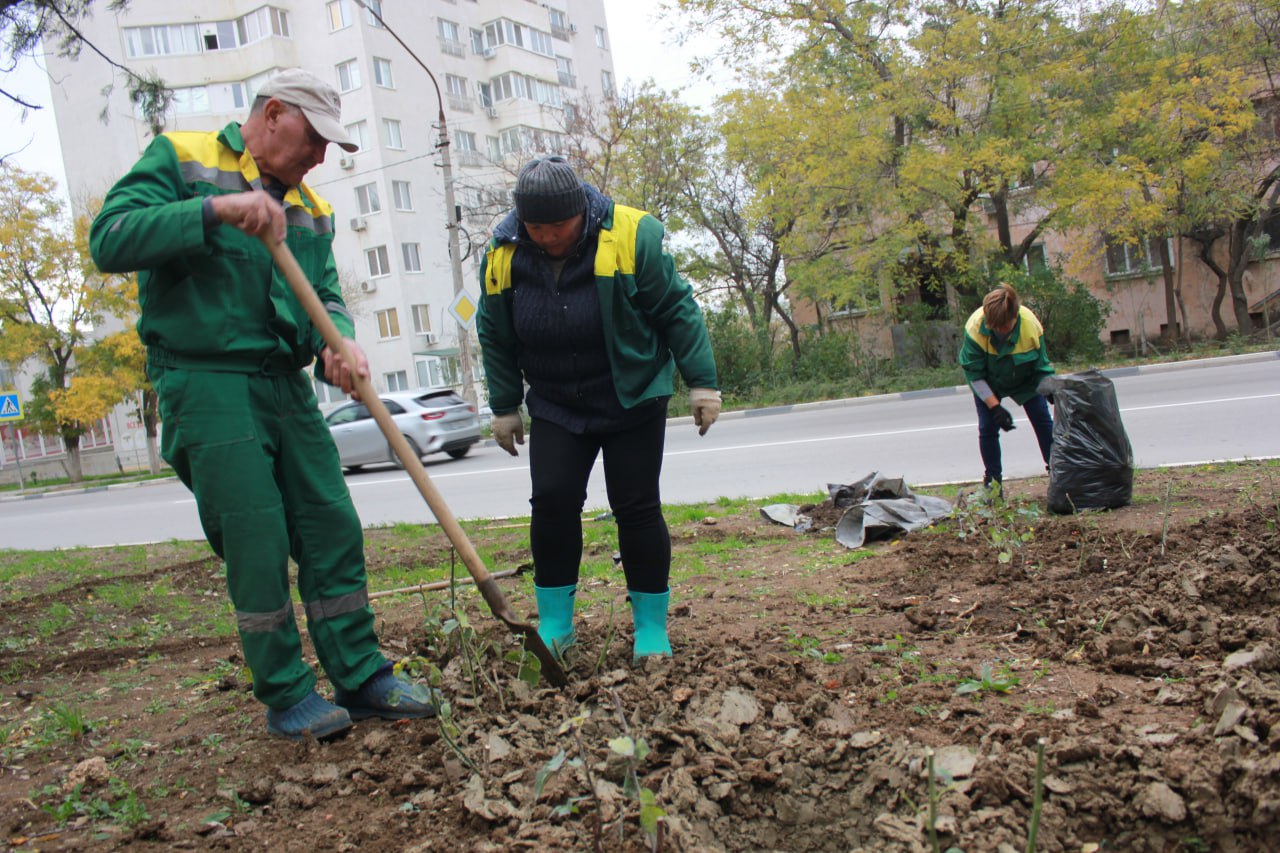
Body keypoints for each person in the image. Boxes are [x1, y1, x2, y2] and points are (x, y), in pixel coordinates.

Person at [89, 68, 438, 740]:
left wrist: (341, 345)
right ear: (274, 114)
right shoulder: (184, 159)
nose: (321, 157)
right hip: (207, 376)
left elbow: (327, 294)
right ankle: (286, 692)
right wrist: (213, 212)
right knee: (256, 534)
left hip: (286, 382)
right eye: (314, 138)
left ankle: (361, 674)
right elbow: (111, 238)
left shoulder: (313, 208)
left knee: (331, 522)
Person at [476, 156, 720, 662]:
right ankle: (556, 625)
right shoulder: (503, 255)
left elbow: (677, 308)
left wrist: (702, 383)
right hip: (557, 401)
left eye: (558, 226)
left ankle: (651, 629)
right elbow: (495, 335)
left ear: (581, 210)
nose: (547, 237)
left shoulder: (633, 235)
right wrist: (503, 406)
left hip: (631, 393)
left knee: (635, 506)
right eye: (536, 228)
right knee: (552, 502)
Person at [959, 282, 1055, 489]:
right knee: (987, 427)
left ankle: (1058, 472)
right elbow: (974, 375)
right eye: (994, 326)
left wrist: (1050, 388)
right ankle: (993, 485)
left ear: (1015, 316)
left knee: (1043, 420)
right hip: (989, 381)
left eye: (1004, 326)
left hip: (1024, 379)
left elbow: (1041, 366)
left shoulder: (1030, 325)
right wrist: (994, 407)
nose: (999, 330)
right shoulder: (975, 328)